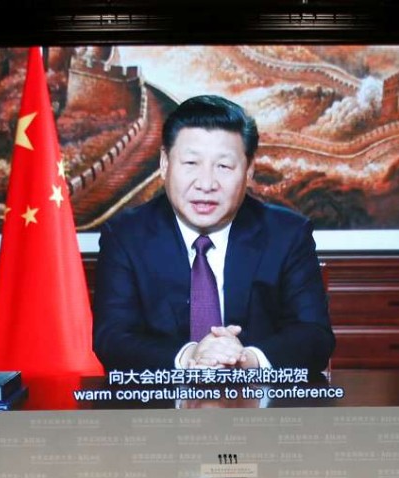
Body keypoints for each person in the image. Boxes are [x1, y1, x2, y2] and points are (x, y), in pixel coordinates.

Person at [92, 94, 335, 372]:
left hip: (260, 408)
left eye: (224, 166)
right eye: (191, 163)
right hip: (159, 411)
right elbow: (112, 338)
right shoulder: (126, 236)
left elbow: (315, 336)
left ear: (249, 171)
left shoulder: (287, 234)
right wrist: (190, 356)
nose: (206, 184)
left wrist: (246, 358)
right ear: (164, 164)